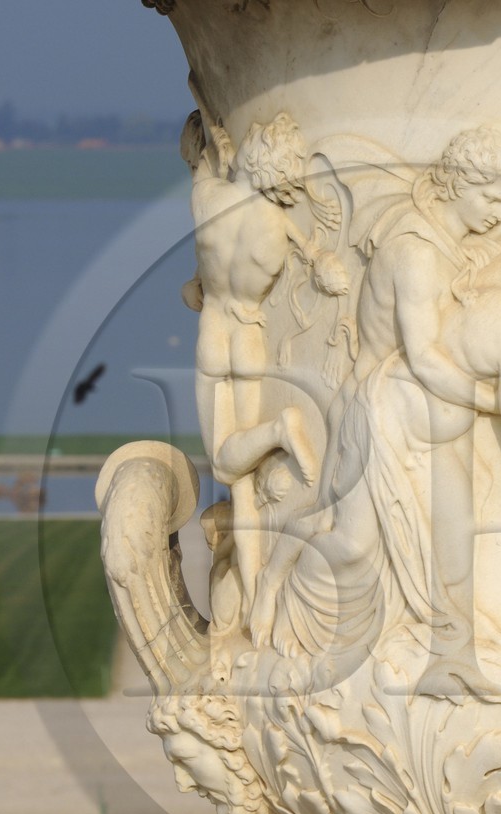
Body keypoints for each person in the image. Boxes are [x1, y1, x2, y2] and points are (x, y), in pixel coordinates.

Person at [250, 242, 501, 695]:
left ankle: (455, 664)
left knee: (453, 550)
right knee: (348, 540)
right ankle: (272, 583)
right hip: (388, 418)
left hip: (434, 441)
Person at [185, 110, 346, 609]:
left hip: (215, 331)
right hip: (250, 332)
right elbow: (318, 263)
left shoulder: (206, 199)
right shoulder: (280, 228)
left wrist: (216, 137)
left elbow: (202, 158)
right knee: (245, 483)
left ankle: (278, 431)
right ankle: (258, 600)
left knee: (227, 468)